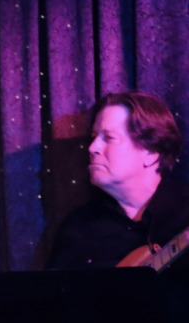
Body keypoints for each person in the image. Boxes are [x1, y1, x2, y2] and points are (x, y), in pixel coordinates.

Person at [48, 91, 189, 275]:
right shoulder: (78, 229)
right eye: (94, 137)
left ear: (151, 153)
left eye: (109, 138)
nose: (92, 147)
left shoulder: (184, 212)